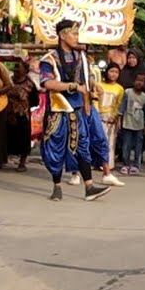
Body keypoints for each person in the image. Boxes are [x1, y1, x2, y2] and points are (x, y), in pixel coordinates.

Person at [38, 19, 111, 201]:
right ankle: (57, 186)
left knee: (82, 147)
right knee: (55, 148)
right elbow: (47, 83)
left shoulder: (81, 58)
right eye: (74, 34)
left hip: (77, 110)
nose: (77, 37)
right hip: (58, 109)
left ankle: (89, 186)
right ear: (63, 35)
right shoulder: (49, 59)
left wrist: (94, 84)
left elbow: (83, 79)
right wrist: (72, 86)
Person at [5, 60, 38, 172]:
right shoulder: (8, 81)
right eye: (15, 67)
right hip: (8, 114)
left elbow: (35, 101)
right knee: (6, 137)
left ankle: (22, 163)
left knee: (23, 139)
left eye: (18, 67)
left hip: (22, 115)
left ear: (25, 70)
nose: (16, 70)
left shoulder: (30, 84)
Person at [118, 72, 145, 174]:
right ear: (133, 81)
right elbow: (122, 106)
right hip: (127, 123)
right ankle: (126, 164)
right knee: (126, 144)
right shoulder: (128, 92)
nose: (139, 83)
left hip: (139, 125)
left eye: (142, 81)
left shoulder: (144, 96)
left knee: (138, 145)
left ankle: (136, 164)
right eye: (137, 80)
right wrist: (120, 120)